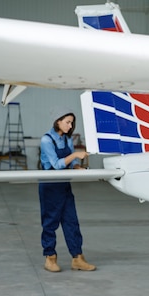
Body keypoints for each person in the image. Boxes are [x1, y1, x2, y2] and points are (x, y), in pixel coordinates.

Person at [39, 107, 96, 273]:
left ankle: (77, 258)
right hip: (50, 185)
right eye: (68, 122)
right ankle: (50, 258)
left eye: (72, 123)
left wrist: (78, 166)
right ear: (58, 121)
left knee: (71, 221)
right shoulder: (46, 140)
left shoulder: (67, 140)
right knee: (50, 222)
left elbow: (69, 163)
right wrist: (76, 155)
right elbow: (56, 165)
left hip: (64, 184)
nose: (70, 126)